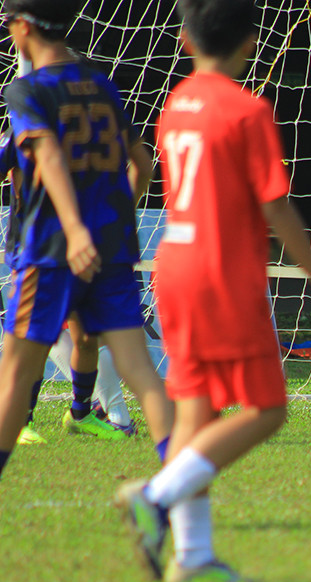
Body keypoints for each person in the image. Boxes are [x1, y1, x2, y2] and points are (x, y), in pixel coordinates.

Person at [116, 0, 311, 582]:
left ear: (185, 42)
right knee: (268, 408)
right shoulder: (247, 110)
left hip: (172, 265)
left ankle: (191, 557)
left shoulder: (175, 105)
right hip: (221, 272)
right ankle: (157, 495)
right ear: (250, 42)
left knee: (197, 411)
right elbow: (274, 205)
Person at [0, 0, 173, 480]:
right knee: (141, 373)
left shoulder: (27, 90)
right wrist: (115, 220)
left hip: (52, 252)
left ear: (23, 26)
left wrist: (74, 229)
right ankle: (183, 498)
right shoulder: (101, 84)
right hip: (112, 250)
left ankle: (76, 412)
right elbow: (143, 162)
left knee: (14, 374)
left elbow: (50, 155)